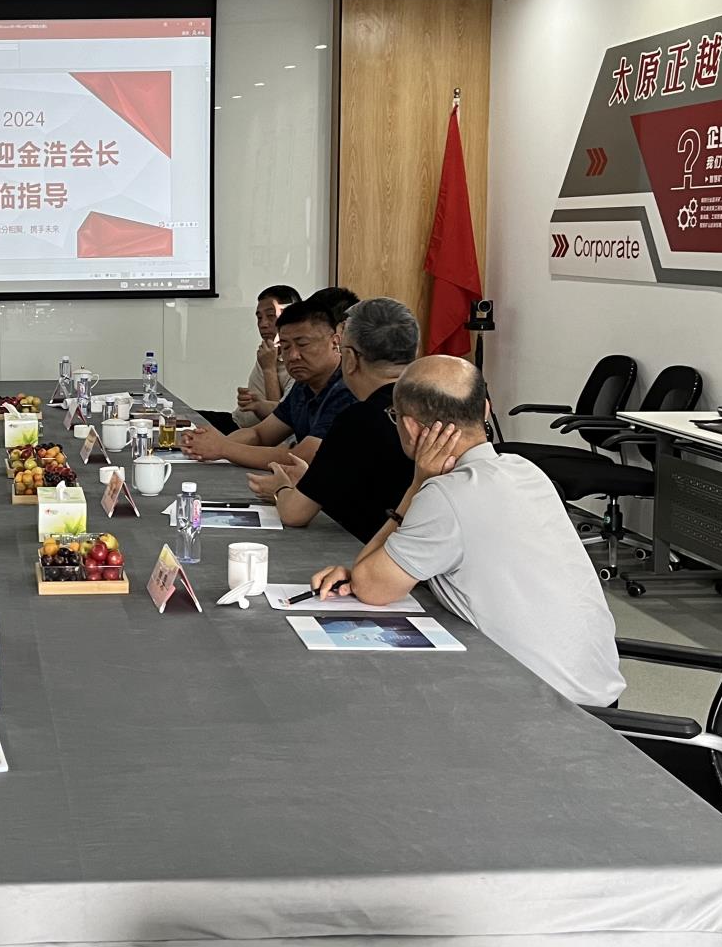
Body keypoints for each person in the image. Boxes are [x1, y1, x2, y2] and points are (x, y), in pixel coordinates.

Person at [309, 356, 625, 708]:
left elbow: (372, 588)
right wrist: (370, 573)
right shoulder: (526, 470)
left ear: (411, 427)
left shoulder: (446, 494)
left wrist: (415, 486)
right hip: (595, 691)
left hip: (546, 709)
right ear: (485, 410)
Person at [247, 297, 417, 540]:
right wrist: (310, 479)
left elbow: (294, 513)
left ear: (350, 358)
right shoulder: (434, 405)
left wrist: (281, 488)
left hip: (366, 547)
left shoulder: (357, 419)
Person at [180, 298, 353, 471]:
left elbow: (303, 456)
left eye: (303, 344)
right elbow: (259, 434)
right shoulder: (303, 385)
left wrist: (223, 448)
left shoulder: (347, 387)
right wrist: (205, 444)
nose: (293, 356)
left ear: (335, 342)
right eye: (285, 347)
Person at [233, 283, 302, 429]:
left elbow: (278, 421)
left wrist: (269, 369)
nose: (263, 324)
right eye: (259, 318)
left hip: (260, 434)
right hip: (239, 424)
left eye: (271, 316)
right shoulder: (268, 351)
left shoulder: (298, 361)